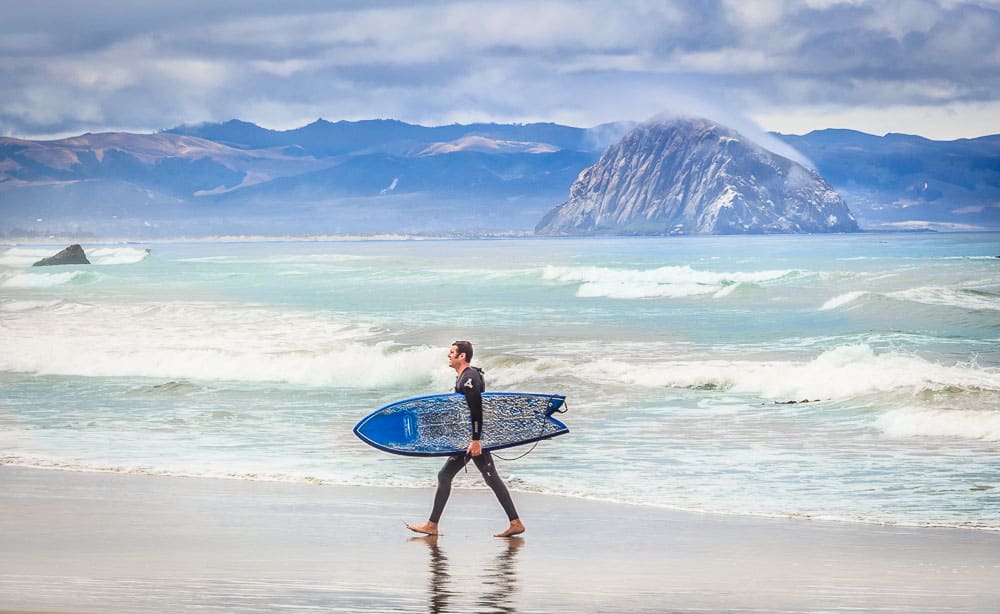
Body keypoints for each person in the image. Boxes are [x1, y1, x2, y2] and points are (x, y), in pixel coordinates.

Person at [406, 341, 525, 538]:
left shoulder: (469, 378)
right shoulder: (464, 377)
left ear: (462, 356)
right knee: (490, 477)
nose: (449, 355)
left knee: (445, 476)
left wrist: (476, 440)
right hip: (469, 438)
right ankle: (515, 522)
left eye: (452, 352)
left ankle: (432, 525)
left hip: (471, 440)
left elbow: (477, 409)